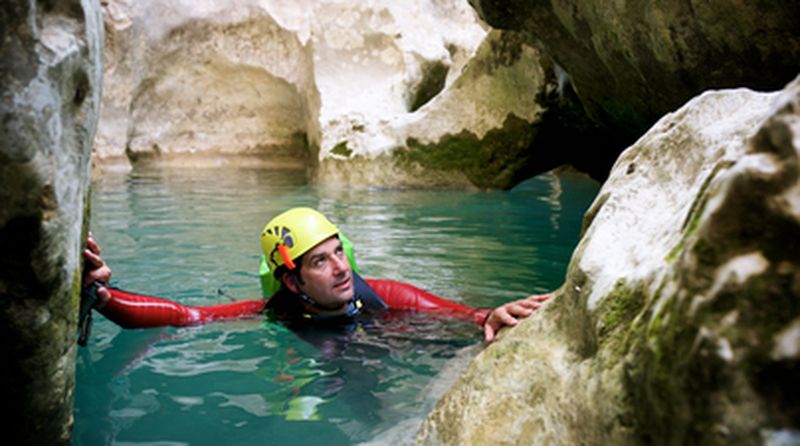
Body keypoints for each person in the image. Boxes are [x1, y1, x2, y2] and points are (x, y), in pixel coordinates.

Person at [82, 207, 550, 343]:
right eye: (320, 261)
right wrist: (101, 295)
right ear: (292, 281)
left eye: (338, 252)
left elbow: (468, 315)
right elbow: (187, 317)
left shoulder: (383, 295)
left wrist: (491, 314)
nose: (342, 267)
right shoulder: (276, 312)